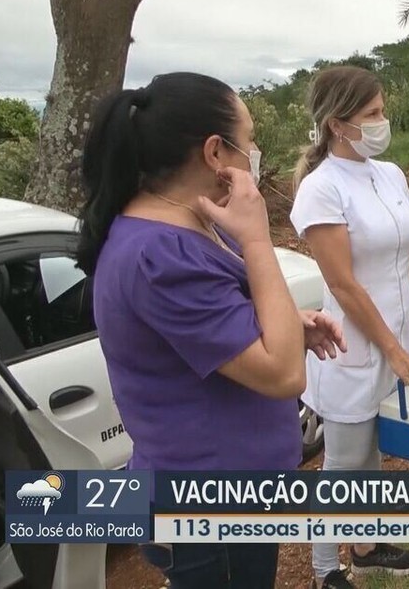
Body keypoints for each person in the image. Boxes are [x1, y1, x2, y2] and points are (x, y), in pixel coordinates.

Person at [77, 72, 346, 589]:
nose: (256, 151)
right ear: (214, 153)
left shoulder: (194, 222)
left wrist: (290, 323)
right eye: (248, 140)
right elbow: (284, 374)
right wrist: (258, 239)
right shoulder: (160, 256)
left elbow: (217, 328)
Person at [291, 65, 409, 588]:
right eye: (372, 114)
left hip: (396, 338)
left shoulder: (390, 174)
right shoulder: (321, 189)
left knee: (373, 455)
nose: (383, 122)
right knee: (345, 461)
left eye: (382, 111)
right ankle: (325, 571)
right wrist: (392, 350)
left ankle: (368, 545)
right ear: (338, 124)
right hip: (353, 348)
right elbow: (345, 286)